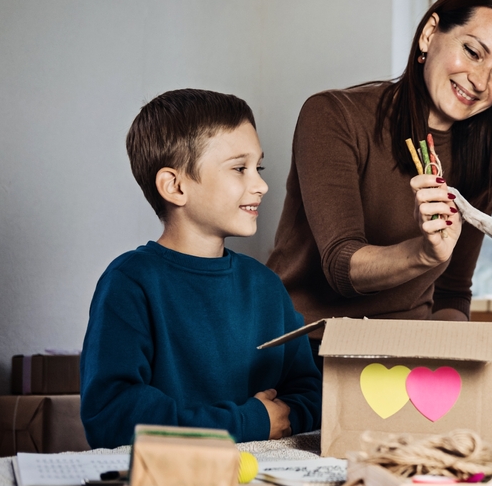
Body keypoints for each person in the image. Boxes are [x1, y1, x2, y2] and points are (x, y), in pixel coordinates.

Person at [268, 0, 492, 355]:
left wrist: (450, 359)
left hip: (407, 358)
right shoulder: (333, 116)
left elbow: (451, 295)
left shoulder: (484, 161)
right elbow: (341, 267)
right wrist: (424, 253)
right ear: (430, 34)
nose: (480, 81)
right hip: (305, 349)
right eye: (472, 52)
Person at [80, 89, 321, 449]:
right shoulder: (130, 283)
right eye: (240, 169)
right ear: (175, 186)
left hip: (266, 477)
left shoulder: (267, 287)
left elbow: (310, 397)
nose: (261, 185)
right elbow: (113, 415)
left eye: (259, 167)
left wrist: (279, 420)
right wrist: (247, 421)